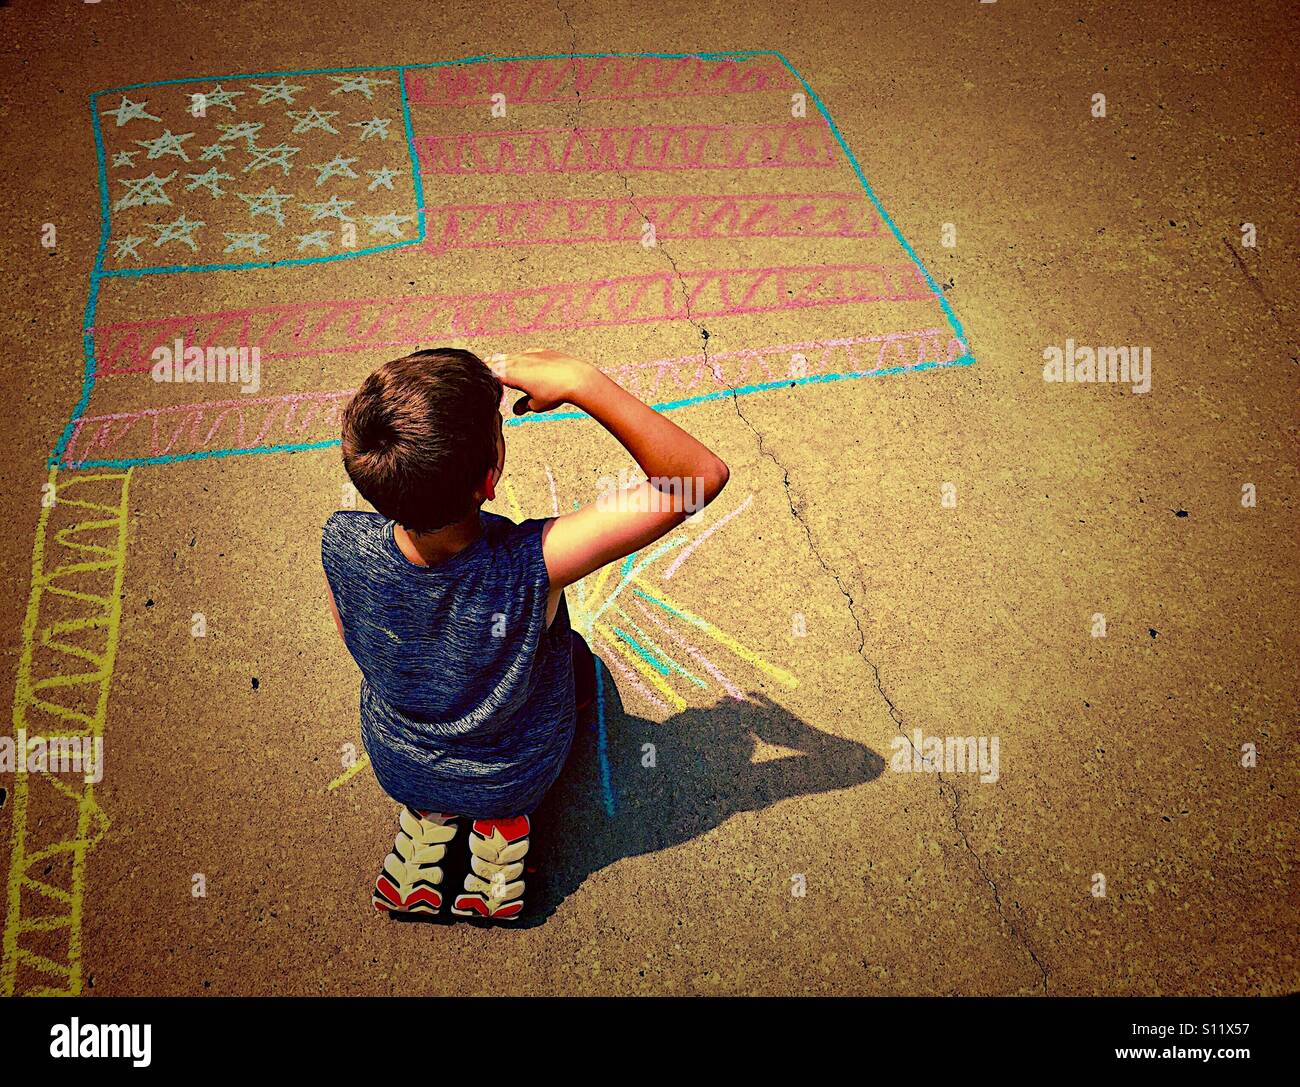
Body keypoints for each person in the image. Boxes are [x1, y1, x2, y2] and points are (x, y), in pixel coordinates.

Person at [322, 347, 728, 920]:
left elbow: (356, 642)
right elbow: (696, 480)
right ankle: (501, 834)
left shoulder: (340, 541)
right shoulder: (531, 566)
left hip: (400, 763)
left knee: (445, 735)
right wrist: (581, 379)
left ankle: (429, 824)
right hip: (515, 773)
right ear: (491, 480)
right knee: (577, 660)